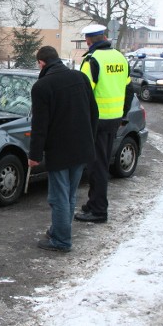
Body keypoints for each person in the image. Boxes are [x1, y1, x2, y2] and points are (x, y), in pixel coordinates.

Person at [28, 46, 98, 252]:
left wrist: (34, 155)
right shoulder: (80, 78)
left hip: (59, 150)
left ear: (41, 63)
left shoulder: (42, 86)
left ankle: (61, 240)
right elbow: (94, 111)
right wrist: (90, 140)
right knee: (69, 194)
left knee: (58, 196)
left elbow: (40, 125)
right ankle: (59, 229)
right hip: (81, 147)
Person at [75, 24, 133, 224]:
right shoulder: (120, 57)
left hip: (97, 123)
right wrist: (123, 116)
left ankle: (98, 210)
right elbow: (129, 90)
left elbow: (82, 95)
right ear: (105, 37)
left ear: (88, 41)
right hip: (114, 120)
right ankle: (93, 204)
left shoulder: (92, 61)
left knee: (96, 168)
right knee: (102, 163)